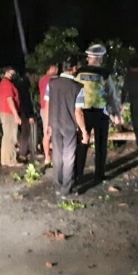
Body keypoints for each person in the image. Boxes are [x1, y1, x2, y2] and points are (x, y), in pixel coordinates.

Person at [75, 44, 123, 183]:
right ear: (100, 59)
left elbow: (74, 91)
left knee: (82, 142)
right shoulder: (104, 74)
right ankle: (99, 174)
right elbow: (112, 94)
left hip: (82, 112)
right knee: (101, 144)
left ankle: (78, 174)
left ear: (88, 58)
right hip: (101, 112)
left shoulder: (79, 73)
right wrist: (116, 112)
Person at [44, 55, 88, 198]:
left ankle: (58, 186)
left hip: (55, 124)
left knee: (57, 155)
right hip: (69, 126)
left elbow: (47, 106)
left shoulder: (51, 83)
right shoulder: (78, 87)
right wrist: (84, 131)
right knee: (69, 157)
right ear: (74, 68)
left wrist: (47, 125)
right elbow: (78, 112)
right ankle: (66, 189)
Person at [0, 66, 22, 167]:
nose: (14, 72)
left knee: (7, 136)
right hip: (9, 113)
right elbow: (9, 99)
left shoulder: (4, 83)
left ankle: (5, 160)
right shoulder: (6, 83)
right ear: (7, 71)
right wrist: (16, 115)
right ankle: (11, 160)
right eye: (13, 70)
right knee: (11, 136)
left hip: (6, 112)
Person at [38, 62, 59, 164]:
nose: (57, 70)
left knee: (46, 132)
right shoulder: (53, 80)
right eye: (56, 67)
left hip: (43, 108)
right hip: (52, 108)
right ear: (51, 68)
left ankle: (47, 157)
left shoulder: (42, 80)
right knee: (53, 133)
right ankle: (53, 156)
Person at [15, 71, 36, 162]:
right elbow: (26, 102)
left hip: (21, 112)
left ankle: (25, 151)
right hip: (25, 113)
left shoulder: (21, 85)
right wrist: (30, 114)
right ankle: (23, 153)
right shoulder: (25, 86)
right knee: (25, 133)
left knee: (24, 133)